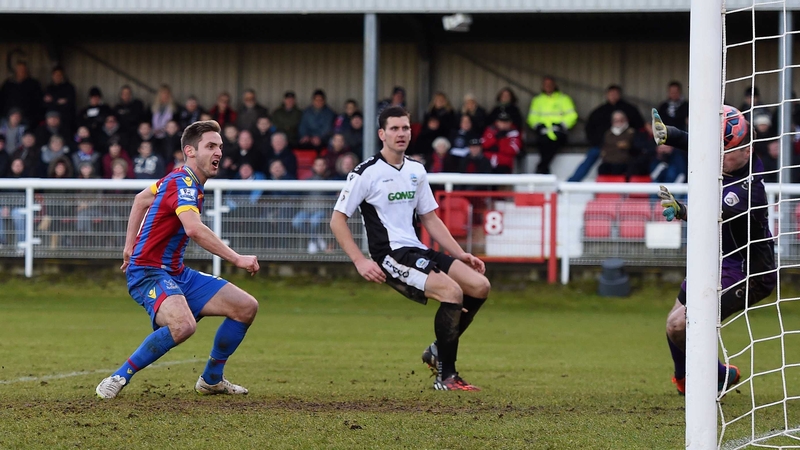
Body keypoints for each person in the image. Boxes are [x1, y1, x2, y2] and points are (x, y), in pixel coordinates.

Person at [95, 120, 260, 399]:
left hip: (175, 273)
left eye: (220, 146)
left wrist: (128, 247)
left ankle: (211, 379)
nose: (218, 151)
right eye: (210, 146)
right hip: (148, 272)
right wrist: (236, 258)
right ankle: (118, 377)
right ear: (190, 151)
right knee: (183, 326)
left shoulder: (178, 178)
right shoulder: (183, 183)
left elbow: (139, 200)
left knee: (246, 307)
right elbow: (193, 229)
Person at [330, 106, 492, 391]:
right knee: (452, 292)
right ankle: (447, 376)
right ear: (382, 134)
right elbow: (337, 220)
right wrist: (360, 261)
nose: (401, 133)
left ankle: (437, 350)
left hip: (416, 250)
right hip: (390, 255)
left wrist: (460, 254)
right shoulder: (365, 173)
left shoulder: (417, 170)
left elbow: (429, 217)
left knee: (479, 286)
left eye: (405, 128)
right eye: (394, 128)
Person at [652, 107, 777, 396]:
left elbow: (712, 214)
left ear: (746, 150)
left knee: (681, 325)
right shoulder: (731, 159)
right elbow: (705, 143)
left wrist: (682, 210)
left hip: (750, 274)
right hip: (717, 260)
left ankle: (714, 376)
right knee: (675, 326)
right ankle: (692, 380)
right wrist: (671, 135)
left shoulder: (748, 188)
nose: (717, 157)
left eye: (725, 151)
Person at [527, 76, 578, 174]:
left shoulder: (564, 99)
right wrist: (538, 126)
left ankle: (541, 168)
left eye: (550, 84)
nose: (548, 86)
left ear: (555, 85)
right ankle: (544, 169)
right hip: (543, 131)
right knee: (543, 143)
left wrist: (562, 125)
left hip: (559, 131)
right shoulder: (537, 100)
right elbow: (532, 117)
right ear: (542, 86)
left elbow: (572, 115)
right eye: (546, 84)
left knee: (553, 143)